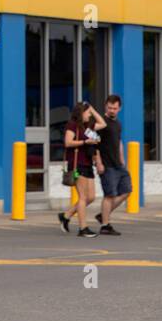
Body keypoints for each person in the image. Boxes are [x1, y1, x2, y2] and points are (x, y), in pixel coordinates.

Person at [58, 101, 104, 237]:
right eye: (88, 113)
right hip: (77, 163)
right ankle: (83, 228)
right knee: (83, 197)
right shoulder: (72, 125)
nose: (90, 115)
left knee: (91, 197)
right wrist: (85, 142)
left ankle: (66, 216)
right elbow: (67, 142)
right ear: (81, 113)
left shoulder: (88, 126)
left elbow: (103, 124)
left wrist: (92, 108)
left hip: (88, 163)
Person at [94, 94, 132, 236]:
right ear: (106, 106)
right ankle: (105, 225)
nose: (112, 110)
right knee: (109, 195)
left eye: (114, 108)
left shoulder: (118, 124)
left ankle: (103, 214)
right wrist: (98, 162)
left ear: (119, 108)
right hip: (106, 165)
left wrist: (122, 160)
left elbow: (119, 142)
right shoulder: (101, 123)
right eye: (109, 108)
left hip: (118, 164)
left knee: (127, 191)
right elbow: (94, 144)